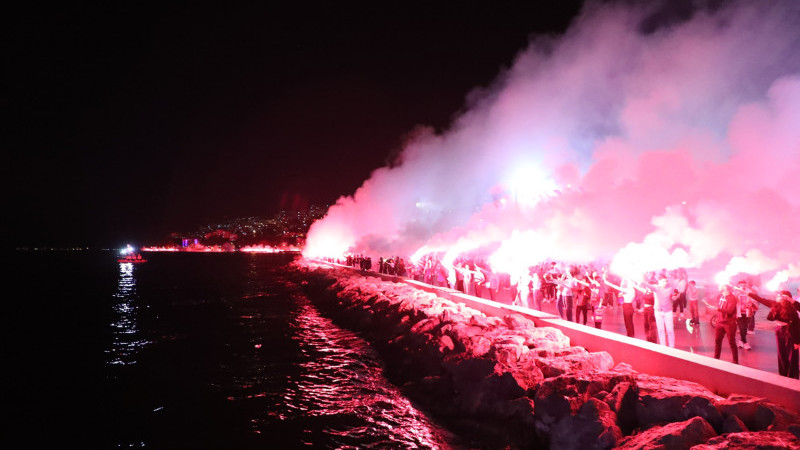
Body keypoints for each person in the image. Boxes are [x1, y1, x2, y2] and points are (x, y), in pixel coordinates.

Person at [744, 288, 800, 378]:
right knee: (781, 353)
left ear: (786, 298)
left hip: (791, 332)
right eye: (778, 295)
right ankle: (783, 374)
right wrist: (747, 293)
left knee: (792, 355)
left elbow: (797, 326)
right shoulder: (775, 305)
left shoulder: (792, 309)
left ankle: (793, 376)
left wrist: (797, 342)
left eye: (780, 296)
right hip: (779, 330)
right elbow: (761, 299)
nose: (777, 297)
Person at [712, 284, 739, 364]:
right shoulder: (721, 296)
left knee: (731, 342)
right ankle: (716, 358)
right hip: (720, 322)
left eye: (720, 286)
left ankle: (735, 361)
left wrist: (717, 309)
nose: (718, 287)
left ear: (726, 288)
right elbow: (715, 301)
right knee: (717, 341)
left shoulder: (732, 298)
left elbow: (730, 311)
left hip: (729, 323)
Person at [735, 280, 757, 350]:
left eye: (744, 285)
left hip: (748, 313)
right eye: (741, 285)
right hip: (739, 313)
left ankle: (741, 341)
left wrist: (751, 303)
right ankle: (745, 343)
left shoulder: (749, 292)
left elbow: (754, 298)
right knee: (741, 328)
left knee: (744, 328)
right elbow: (733, 300)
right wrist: (737, 293)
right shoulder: (736, 292)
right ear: (738, 286)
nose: (742, 286)